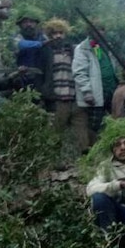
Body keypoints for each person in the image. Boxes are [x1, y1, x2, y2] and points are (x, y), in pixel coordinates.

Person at [40, 18, 85, 152]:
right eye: (54, 33)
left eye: (61, 33)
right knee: (55, 133)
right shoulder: (45, 51)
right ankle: (52, 163)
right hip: (57, 98)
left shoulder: (73, 50)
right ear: (49, 35)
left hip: (76, 98)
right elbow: (40, 74)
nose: (58, 36)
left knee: (82, 133)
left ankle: (85, 163)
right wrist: (44, 94)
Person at [73, 23, 120, 144]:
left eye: (101, 29)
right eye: (96, 30)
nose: (99, 32)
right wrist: (87, 92)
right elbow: (79, 72)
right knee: (94, 126)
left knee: (114, 123)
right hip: (95, 93)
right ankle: (91, 153)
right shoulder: (82, 48)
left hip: (111, 91)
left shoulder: (106, 47)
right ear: (89, 32)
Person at [11, 6, 46, 93]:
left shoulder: (43, 36)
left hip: (40, 76)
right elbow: (21, 44)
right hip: (20, 75)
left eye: (31, 21)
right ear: (20, 25)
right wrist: (40, 44)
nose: (29, 24)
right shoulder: (16, 37)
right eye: (25, 22)